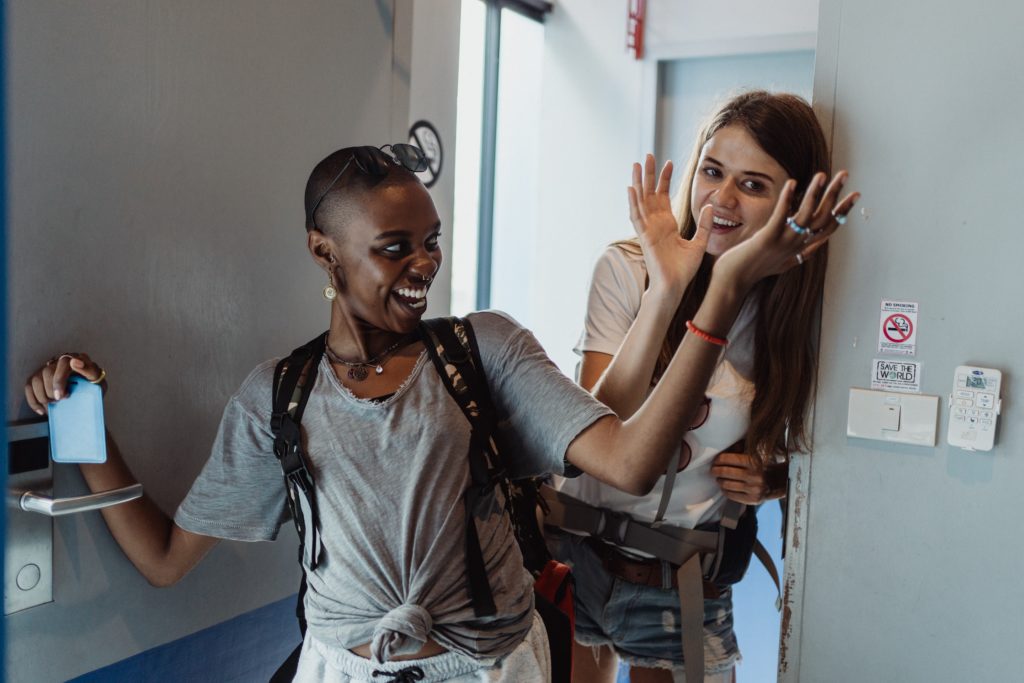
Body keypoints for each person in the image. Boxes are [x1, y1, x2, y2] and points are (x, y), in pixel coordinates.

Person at [23, 136, 847, 682]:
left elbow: (631, 460)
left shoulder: (484, 352)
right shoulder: (279, 397)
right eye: (394, 248)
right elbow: (165, 557)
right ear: (324, 251)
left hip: (488, 668)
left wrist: (720, 287)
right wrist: (84, 421)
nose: (424, 265)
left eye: (432, 241)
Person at [547, 91, 860, 683]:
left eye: (754, 185)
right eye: (713, 172)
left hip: (679, 579)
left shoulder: (795, 317)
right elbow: (595, 426)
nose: (722, 200)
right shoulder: (628, 267)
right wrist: (665, 292)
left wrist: (774, 479)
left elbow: (815, 451)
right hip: (576, 555)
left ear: (793, 199)